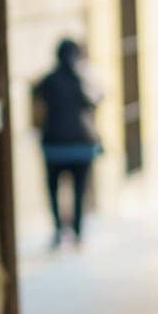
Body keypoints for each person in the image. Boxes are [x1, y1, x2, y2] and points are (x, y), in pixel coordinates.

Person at [31, 38, 103, 248]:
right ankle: (78, 232)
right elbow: (97, 100)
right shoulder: (82, 79)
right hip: (80, 145)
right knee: (79, 190)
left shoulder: (48, 80)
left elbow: (35, 98)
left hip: (54, 146)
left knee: (53, 189)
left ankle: (58, 230)